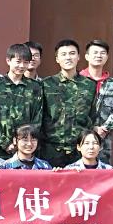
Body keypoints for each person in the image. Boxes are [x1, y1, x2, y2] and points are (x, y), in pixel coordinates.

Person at [0, 124, 57, 224]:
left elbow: (54, 192)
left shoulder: (45, 166)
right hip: (13, 210)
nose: (29, 144)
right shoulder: (4, 167)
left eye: (33, 140)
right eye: (24, 139)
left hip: (38, 210)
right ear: (15, 141)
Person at [41, 39, 96, 168]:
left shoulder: (89, 85)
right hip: (51, 149)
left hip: (79, 150)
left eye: (72, 53)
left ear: (78, 57)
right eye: (63, 54)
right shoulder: (46, 84)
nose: (68, 57)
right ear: (57, 59)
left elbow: (93, 115)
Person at [0, 42, 43, 158]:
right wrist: (4, 142)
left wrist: (26, 141)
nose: (22, 66)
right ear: (8, 61)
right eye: (18, 62)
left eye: (26, 62)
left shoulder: (35, 87)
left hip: (27, 148)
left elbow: (37, 117)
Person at [80, 39, 113, 165]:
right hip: (80, 138)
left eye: (102, 53)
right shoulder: (78, 81)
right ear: (87, 56)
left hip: (104, 139)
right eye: (95, 52)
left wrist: (104, 129)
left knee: (102, 171)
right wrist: (91, 128)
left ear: (107, 57)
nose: (99, 55)